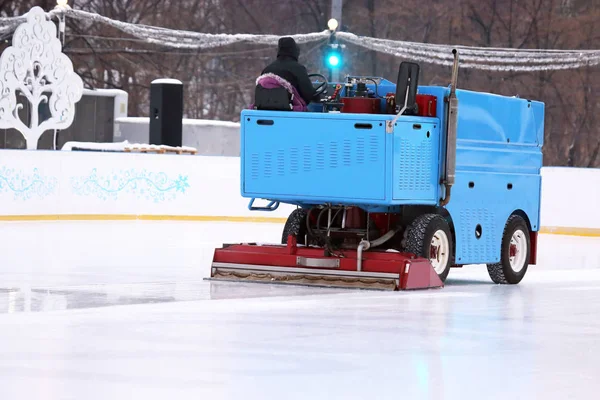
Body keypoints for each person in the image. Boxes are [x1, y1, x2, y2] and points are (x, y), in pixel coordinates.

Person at [255, 37, 320, 111]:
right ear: (295, 51)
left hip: (264, 112)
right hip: (291, 112)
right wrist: (318, 98)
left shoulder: (267, 69)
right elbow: (308, 94)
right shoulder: (298, 68)